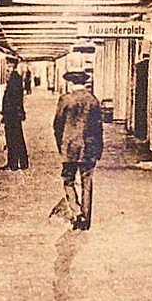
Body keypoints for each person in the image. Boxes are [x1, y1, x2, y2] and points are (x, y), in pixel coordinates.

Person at [53, 71, 103, 231]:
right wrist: (99, 148)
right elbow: (98, 127)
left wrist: (61, 145)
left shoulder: (65, 100)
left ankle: (77, 211)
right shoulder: (93, 100)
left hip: (70, 147)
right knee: (87, 182)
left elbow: (57, 125)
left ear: (71, 83)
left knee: (68, 179)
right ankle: (86, 220)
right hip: (89, 148)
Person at [1, 58, 29, 170]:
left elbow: (15, 98)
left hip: (12, 113)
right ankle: (22, 162)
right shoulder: (15, 77)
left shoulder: (14, 78)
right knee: (17, 137)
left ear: (12, 66)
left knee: (12, 138)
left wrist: (8, 112)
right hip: (13, 113)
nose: (7, 68)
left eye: (8, 65)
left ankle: (13, 164)